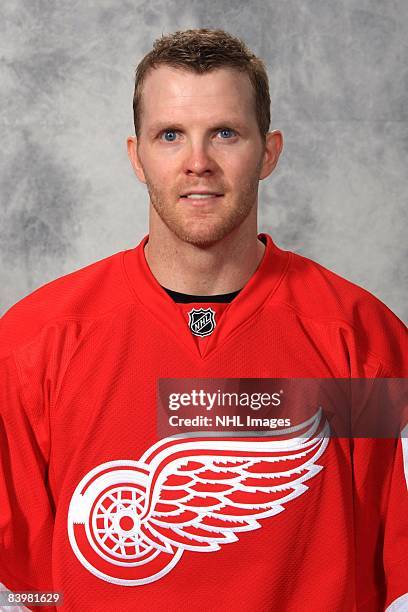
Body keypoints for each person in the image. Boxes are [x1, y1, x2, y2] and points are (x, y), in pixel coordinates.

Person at [0, 28, 407, 612]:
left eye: (225, 133)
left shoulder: (363, 346)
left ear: (269, 152)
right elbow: (26, 589)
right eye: (170, 135)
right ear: (136, 155)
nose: (198, 163)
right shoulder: (31, 349)